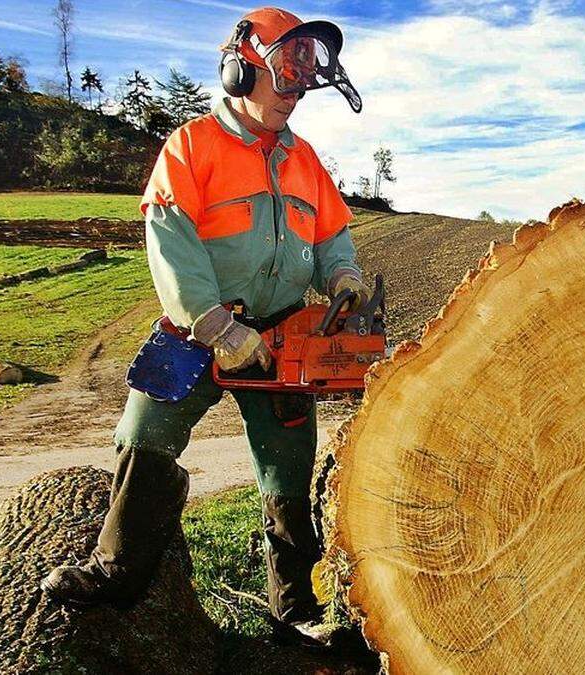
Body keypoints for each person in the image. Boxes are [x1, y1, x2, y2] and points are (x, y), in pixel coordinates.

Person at [40, 6, 367, 645]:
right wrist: (214, 323)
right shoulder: (192, 146)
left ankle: (294, 608)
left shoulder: (306, 162)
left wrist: (344, 276)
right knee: (143, 431)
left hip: (279, 335)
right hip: (196, 328)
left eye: (303, 86)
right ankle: (117, 572)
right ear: (240, 71)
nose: (293, 97)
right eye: (284, 80)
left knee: (287, 467)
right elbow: (170, 238)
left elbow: (332, 237)